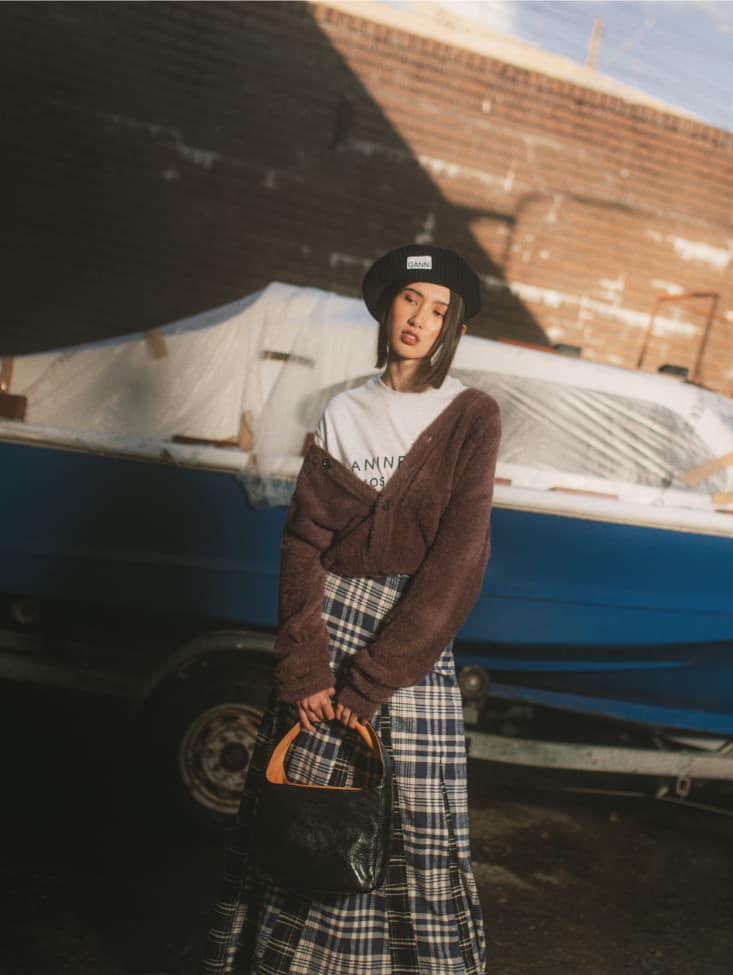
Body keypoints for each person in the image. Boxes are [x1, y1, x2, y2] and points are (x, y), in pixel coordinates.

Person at [202, 243, 501, 975]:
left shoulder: (470, 416)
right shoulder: (344, 409)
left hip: (410, 651)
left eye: (438, 310)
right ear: (387, 304)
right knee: (311, 817)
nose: (419, 319)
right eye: (410, 300)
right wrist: (305, 667)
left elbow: (457, 564)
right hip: (325, 637)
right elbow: (303, 541)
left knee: (413, 830)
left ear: (451, 326)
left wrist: (370, 683)